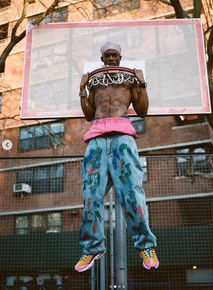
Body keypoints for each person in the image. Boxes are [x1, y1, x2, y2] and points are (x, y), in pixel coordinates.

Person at [74, 42, 159, 272]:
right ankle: (92, 247)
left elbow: (142, 111)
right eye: (107, 56)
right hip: (97, 139)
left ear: (120, 57)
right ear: (102, 58)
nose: (111, 59)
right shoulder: (96, 82)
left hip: (122, 137)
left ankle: (145, 245)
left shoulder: (129, 80)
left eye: (114, 55)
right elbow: (88, 114)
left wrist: (142, 83)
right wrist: (82, 89)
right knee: (91, 195)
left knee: (132, 194)